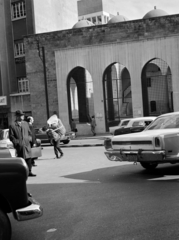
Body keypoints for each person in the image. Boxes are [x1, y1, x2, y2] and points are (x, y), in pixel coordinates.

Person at [9, 110, 36, 177]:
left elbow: (30, 133)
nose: (22, 116)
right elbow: (11, 136)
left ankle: (29, 172)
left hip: (27, 144)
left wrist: (29, 139)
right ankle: (22, 172)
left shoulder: (26, 124)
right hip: (20, 146)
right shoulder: (12, 125)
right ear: (17, 116)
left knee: (29, 158)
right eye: (21, 115)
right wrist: (17, 142)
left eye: (23, 115)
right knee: (21, 159)